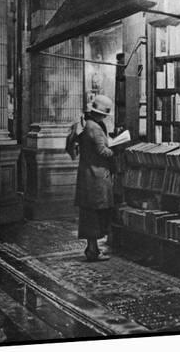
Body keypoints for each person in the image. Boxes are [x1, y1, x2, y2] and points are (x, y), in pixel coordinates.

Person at [74, 95, 115, 262]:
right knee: (95, 215)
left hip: (87, 176)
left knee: (89, 214)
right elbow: (102, 151)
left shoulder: (87, 125)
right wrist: (116, 150)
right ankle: (92, 250)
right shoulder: (95, 128)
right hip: (96, 177)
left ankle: (92, 248)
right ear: (101, 114)